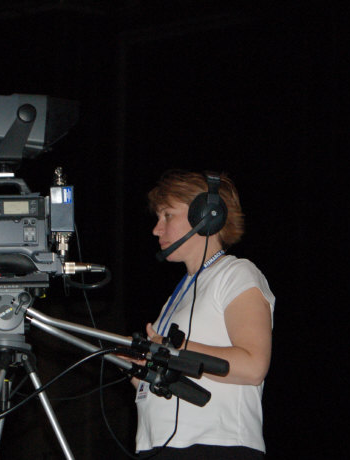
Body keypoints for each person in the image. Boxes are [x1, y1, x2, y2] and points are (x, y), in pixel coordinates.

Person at [133, 170, 275, 459]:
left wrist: (171, 351)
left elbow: (253, 366)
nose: (157, 229)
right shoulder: (178, 296)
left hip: (216, 446)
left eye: (167, 216)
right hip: (159, 446)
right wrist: (140, 368)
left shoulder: (236, 274)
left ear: (206, 215)